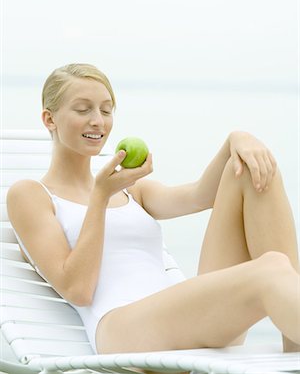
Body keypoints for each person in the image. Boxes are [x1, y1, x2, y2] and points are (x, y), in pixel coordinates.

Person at [7, 63, 300, 356]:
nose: (98, 121)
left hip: (179, 318)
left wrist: (236, 139)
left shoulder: (132, 189)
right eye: (83, 109)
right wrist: (100, 197)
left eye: (106, 110)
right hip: (122, 330)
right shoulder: (31, 195)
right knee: (271, 267)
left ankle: (294, 349)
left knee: (252, 169)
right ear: (49, 119)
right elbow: (78, 290)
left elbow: (201, 195)